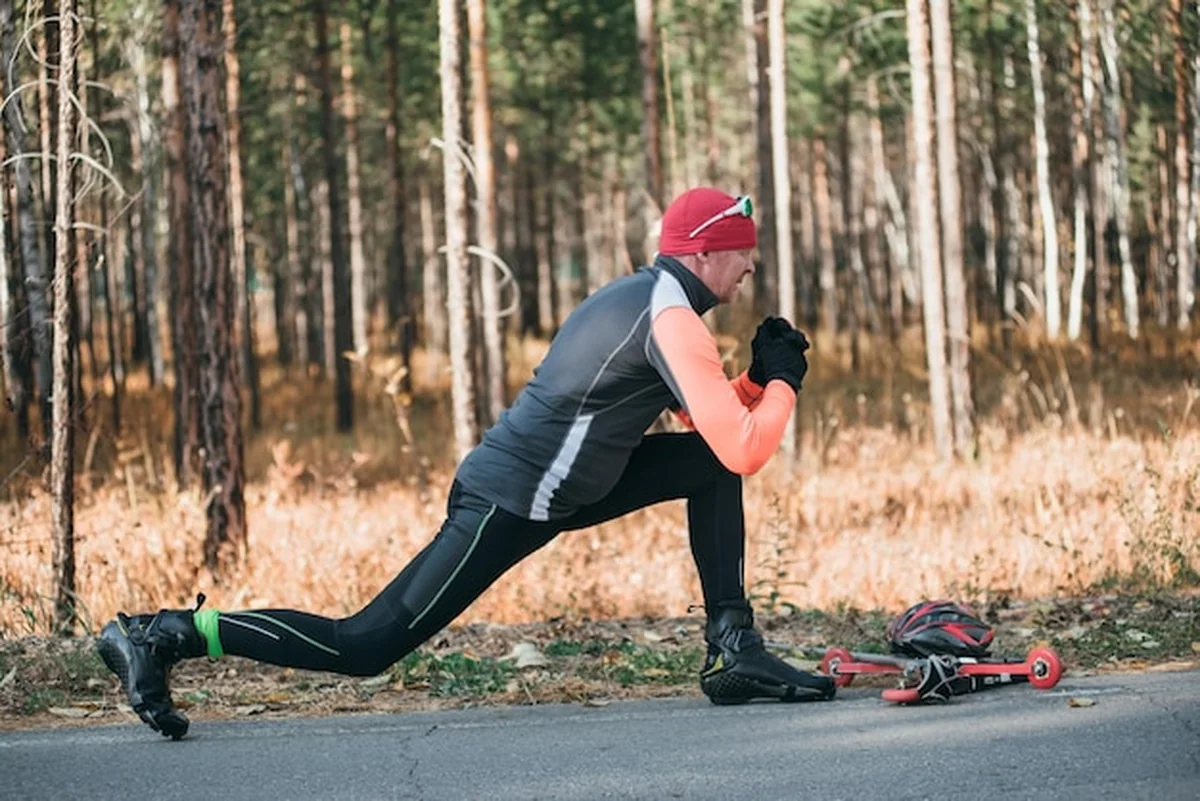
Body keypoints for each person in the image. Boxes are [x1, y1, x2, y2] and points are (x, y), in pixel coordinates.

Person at [97, 187, 835, 740]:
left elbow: (712, 429)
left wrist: (755, 383)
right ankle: (166, 633)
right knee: (365, 644)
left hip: (571, 487)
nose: (750, 267)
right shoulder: (671, 317)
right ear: (708, 251)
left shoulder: (650, 299)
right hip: (509, 500)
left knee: (706, 465)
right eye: (746, 252)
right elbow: (747, 442)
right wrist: (781, 382)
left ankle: (733, 649)